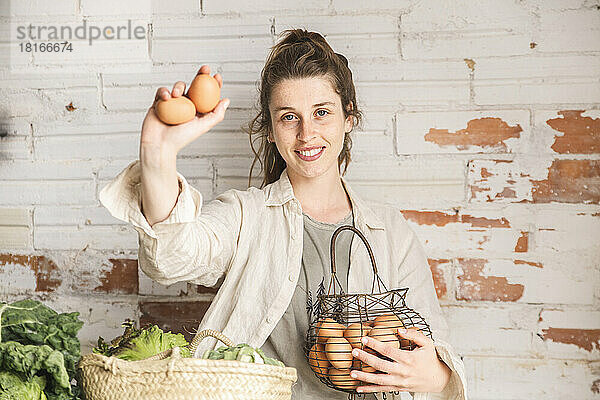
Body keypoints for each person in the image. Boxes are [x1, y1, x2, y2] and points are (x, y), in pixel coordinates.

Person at [99, 29, 467, 399]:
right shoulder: (247, 215)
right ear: (272, 130)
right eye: (289, 117)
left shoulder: (390, 232)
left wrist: (433, 376)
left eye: (322, 113)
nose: (307, 134)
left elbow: (437, 359)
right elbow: (170, 258)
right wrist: (156, 154)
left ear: (348, 117)